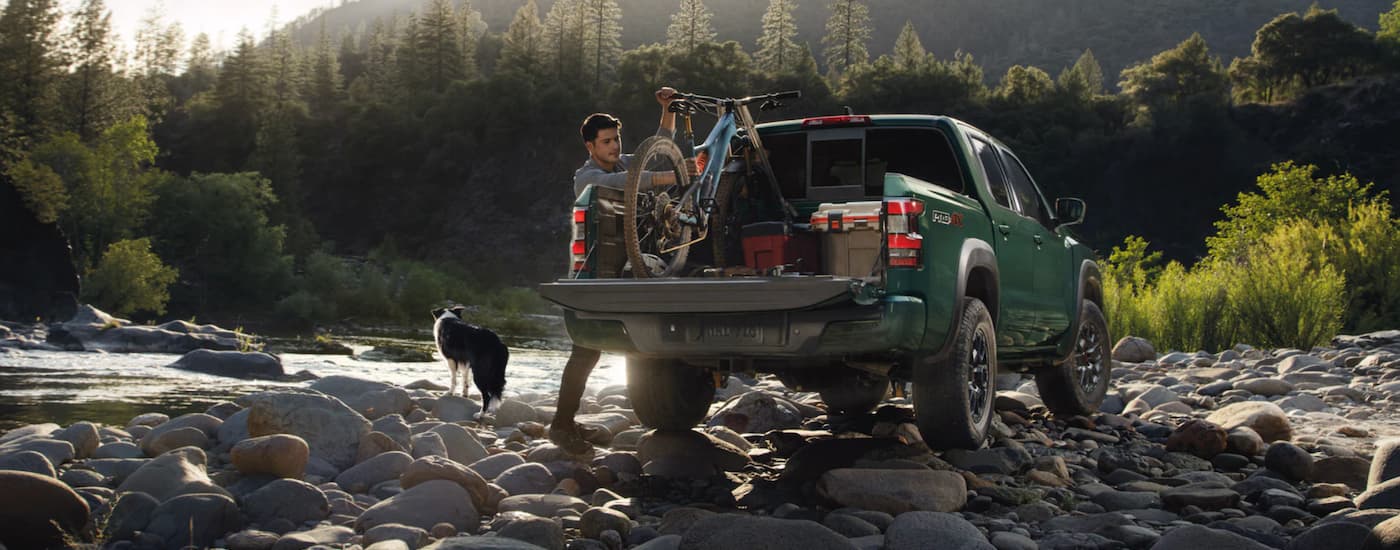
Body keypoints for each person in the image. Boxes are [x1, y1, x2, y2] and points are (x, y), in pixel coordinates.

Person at [549, 87, 680, 454]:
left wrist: (667, 110)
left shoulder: (623, 162)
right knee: (585, 351)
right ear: (590, 146)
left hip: (625, 270)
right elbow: (632, 182)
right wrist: (674, 177)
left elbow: (656, 151)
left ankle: (655, 410)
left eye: (616, 139)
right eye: (606, 141)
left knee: (630, 344)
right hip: (590, 275)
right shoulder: (586, 177)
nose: (613, 145)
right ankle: (561, 424)